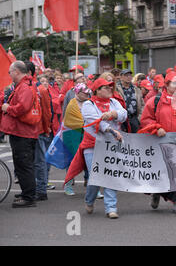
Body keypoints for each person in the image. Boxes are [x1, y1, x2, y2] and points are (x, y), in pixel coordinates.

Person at [140, 72, 176, 214]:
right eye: (174, 83)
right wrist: (157, 128)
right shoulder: (155, 101)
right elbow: (146, 120)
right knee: (163, 173)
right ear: (166, 85)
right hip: (160, 143)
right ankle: (156, 192)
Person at [66, 78, 127, 218]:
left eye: (110, 87)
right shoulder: (88, 104)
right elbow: (95, 122)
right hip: (92, 146)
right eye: (106, 87)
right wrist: (111, 130)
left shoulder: (114, 102)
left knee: (110, 175)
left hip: (111, 146)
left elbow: (124, 114)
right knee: (95, 176)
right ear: (97, 90)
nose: (110, 89)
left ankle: (111, 208)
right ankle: (89, 199)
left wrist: (114, 114)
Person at [1, 61, 40, 207]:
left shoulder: (24, 87)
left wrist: (8, 108)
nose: (9, 74)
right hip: (21, 132)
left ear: (17, 71)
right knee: (22, 164)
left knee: (24, 165)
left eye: (10, 72)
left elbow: (22, 107)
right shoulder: (25, 85)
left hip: (23, 132)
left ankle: (29, 197)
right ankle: (27, 193)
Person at [62, 83, 92, 196]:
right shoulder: (72, 104)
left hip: (86, 134)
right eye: (85, 92)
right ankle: (68, 185)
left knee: (89, 160)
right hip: (72, 135)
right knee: (72, 160)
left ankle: (93, 188)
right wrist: (87, 124)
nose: (87, 94)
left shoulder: (89, 103)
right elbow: (69, 121)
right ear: (78, 93)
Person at [33, 75, 54, 201]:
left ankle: (41, 189)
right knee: (36, 161)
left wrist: (47, 128)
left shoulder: (41, 90)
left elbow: (47, 112)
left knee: (40, 161)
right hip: (35, 130)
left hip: (40, 130)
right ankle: (37, 188)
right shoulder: (36, 89)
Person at [116, 69, 144, 133]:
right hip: (122, 120)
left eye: (130, 75)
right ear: (121, 77)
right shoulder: (116, 89)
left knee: (135, 139)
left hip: (134, 118)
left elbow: (142, 104)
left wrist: (139, 118)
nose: (129, 77)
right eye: (126, 75)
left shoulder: (136, 89)